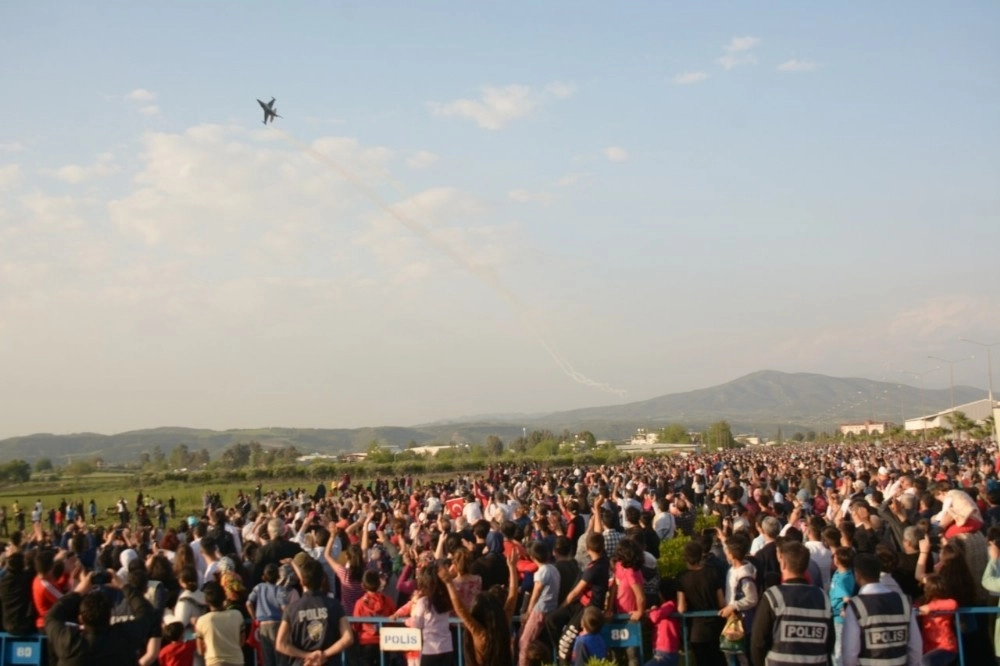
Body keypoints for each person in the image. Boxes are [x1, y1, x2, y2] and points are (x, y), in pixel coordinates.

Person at [750, 541, 833, 666]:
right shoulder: (822, 597)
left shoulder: (773, 597)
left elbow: (758, 642)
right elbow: (830, 641)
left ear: (783, 564)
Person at [841, 553, 921, 666]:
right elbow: (915, 646)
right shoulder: (904, 602)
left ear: (857, 574)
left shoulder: (856, 605)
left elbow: (850, 652)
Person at [276, 557, 353, 665]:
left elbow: (280, 644)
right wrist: (324, 654)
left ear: (302, 581)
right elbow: (348, 637)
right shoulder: (334, 605)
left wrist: (307, 656)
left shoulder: (291, 609)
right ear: (322, 580)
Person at [195, 581, 245, 666]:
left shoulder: (202, 621)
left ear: (206, 601)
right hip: (237, 661)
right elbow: (241, 641)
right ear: (224, 597)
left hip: (214, 662)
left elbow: (200, 650)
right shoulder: (237, 615)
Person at [353, 570, 397, 666]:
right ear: (378, 584)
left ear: (363, 585)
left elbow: (356, 626)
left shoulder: (359, 603)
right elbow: (394, 620)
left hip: (366, 642)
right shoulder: (388, 600)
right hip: (384, 641)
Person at [246, 563, 285, 666]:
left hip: (262, 625)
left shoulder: (258, 588)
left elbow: (249, 603)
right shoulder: (279, 589)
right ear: (277, 576)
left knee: (267, 657)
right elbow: (284, 607)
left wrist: (254, 617)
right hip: (277, 623)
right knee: (279, 656)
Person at [916, 574, 958, 666]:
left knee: (925, 662)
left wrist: (930, 607)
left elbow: (953, 604)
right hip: (927, 648)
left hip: (946, 648)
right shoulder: (922, 602)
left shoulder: (945, 603)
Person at [829, 547, 856, 666]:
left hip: (838, 619)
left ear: (837, 561)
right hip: (834, 616)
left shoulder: (843, 580)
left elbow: (847, 599)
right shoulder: (841, 573)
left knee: (838, 649)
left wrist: (845, 610)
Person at [646, 579, 681, 666]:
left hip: (665, 650)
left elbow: (654, 617)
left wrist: (653, 609)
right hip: (661, 649)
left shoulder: (670, 605)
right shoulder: (668, 606)